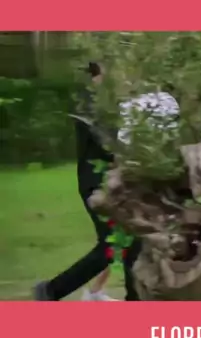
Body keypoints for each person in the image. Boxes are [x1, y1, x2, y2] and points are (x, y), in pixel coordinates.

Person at [33, 62, 139, 301]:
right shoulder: (92, 104)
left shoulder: (106, 103)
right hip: (99, 184)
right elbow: (108, 146)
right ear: (101, 71)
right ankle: (51, 291)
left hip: (112, 182)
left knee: (132, 242)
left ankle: (134, 300)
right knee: (110, 247)